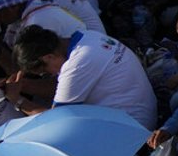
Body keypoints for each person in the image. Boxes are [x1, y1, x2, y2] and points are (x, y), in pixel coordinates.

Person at [11, 23, 158, 131]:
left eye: (45, 73)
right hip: (144, 113)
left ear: (48, 57)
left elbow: (56, 121)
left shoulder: (76, 64)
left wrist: (17, 100)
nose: (52, 76)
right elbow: (63, 89)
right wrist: (24, 86)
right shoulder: (88, 37)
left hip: (136, 129)